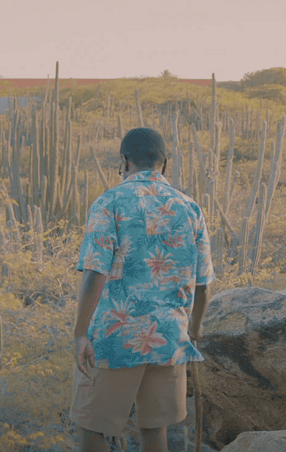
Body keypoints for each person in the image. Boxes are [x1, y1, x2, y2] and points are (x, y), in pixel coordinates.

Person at [72, 127, 215, 452]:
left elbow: (95, 274)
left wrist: (81, 333)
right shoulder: (189, 207)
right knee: (155, 430)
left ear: (124, 161)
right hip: (168, 339)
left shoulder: (109, 203)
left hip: (115, 339)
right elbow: (203, 284)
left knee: (89, 429)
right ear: (164, 164)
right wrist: (192, 331)